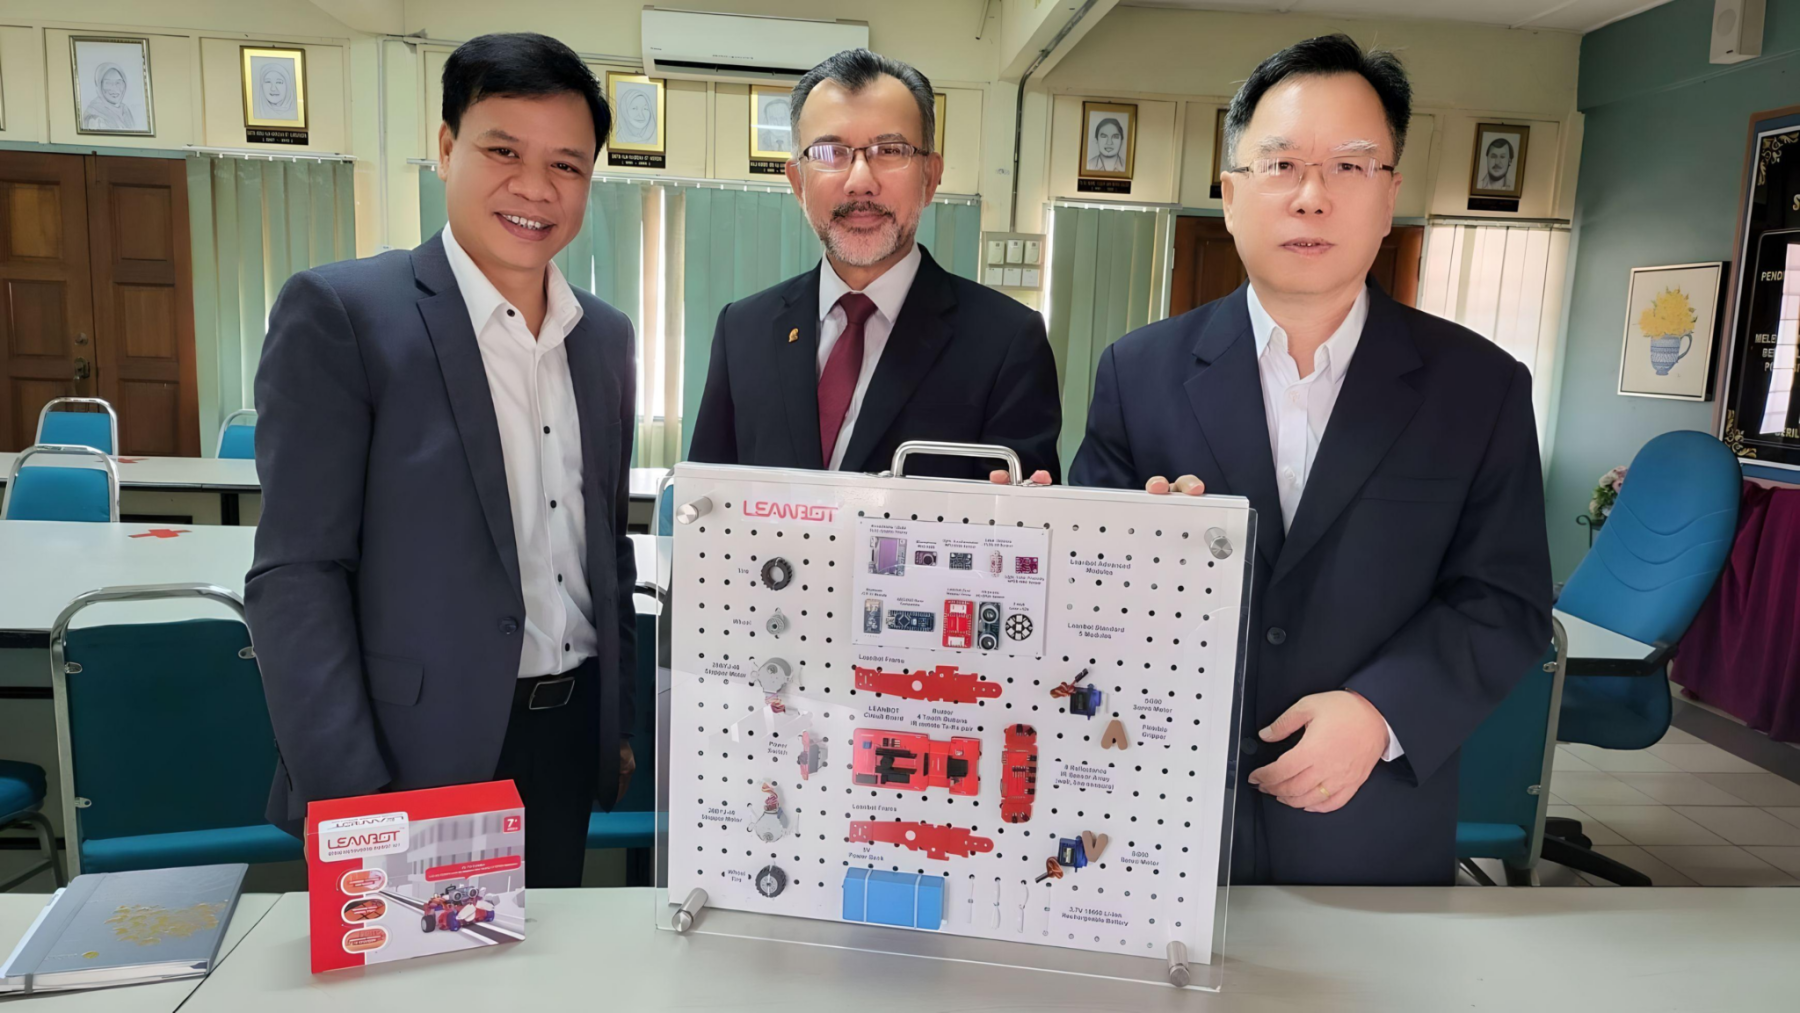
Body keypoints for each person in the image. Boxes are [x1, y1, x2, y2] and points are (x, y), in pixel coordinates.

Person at [1015, 34, 1550, 885]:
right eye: (1281, 165)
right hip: (1159, 810)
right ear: (1231, 196)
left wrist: (1383, 712)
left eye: (1349, 166)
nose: (1311, 197)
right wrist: (1127, 550)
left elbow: (1505, 597)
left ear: (1390, 198)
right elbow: (1087, 592)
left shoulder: (1479, 387)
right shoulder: (1138, 370)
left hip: (1367, 819)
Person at [247, 32, 639, 888]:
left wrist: (618, 727)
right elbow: (297, 575)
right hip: (411, 754)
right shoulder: (346, 314)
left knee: (540, 975)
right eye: (504, 150)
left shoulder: (604, 338)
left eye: (568, 165)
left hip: (565, 742)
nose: (536, 188)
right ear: (446, 148)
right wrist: (351, 793)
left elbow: (604, 548)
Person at [690, 49, 1061, 481]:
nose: (860, 180)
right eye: (831, 152)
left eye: (890, 149)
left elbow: (1020, 527)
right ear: (797, 183)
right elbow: (709, 501)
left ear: (931, 177)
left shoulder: (1008, 342)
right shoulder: (743, 330)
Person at [82, 63, 134, 131]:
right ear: (99, 86)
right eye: (108, 83)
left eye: (118, 82)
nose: (114, 88)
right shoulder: (94, 115)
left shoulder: (125, 110)